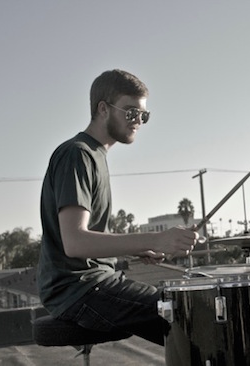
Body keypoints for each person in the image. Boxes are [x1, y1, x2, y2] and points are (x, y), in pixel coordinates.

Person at [37, 69, 198, 346]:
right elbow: (75, 242)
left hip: (92, 283)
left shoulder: (95, 155)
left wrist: (137, 247)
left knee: (189, 311)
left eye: (143, 116)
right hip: (79, 289)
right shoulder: (78, 154)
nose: (138, 121)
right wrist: (157, 238)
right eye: (131, 112)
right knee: (190, 318)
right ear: (103, 109)